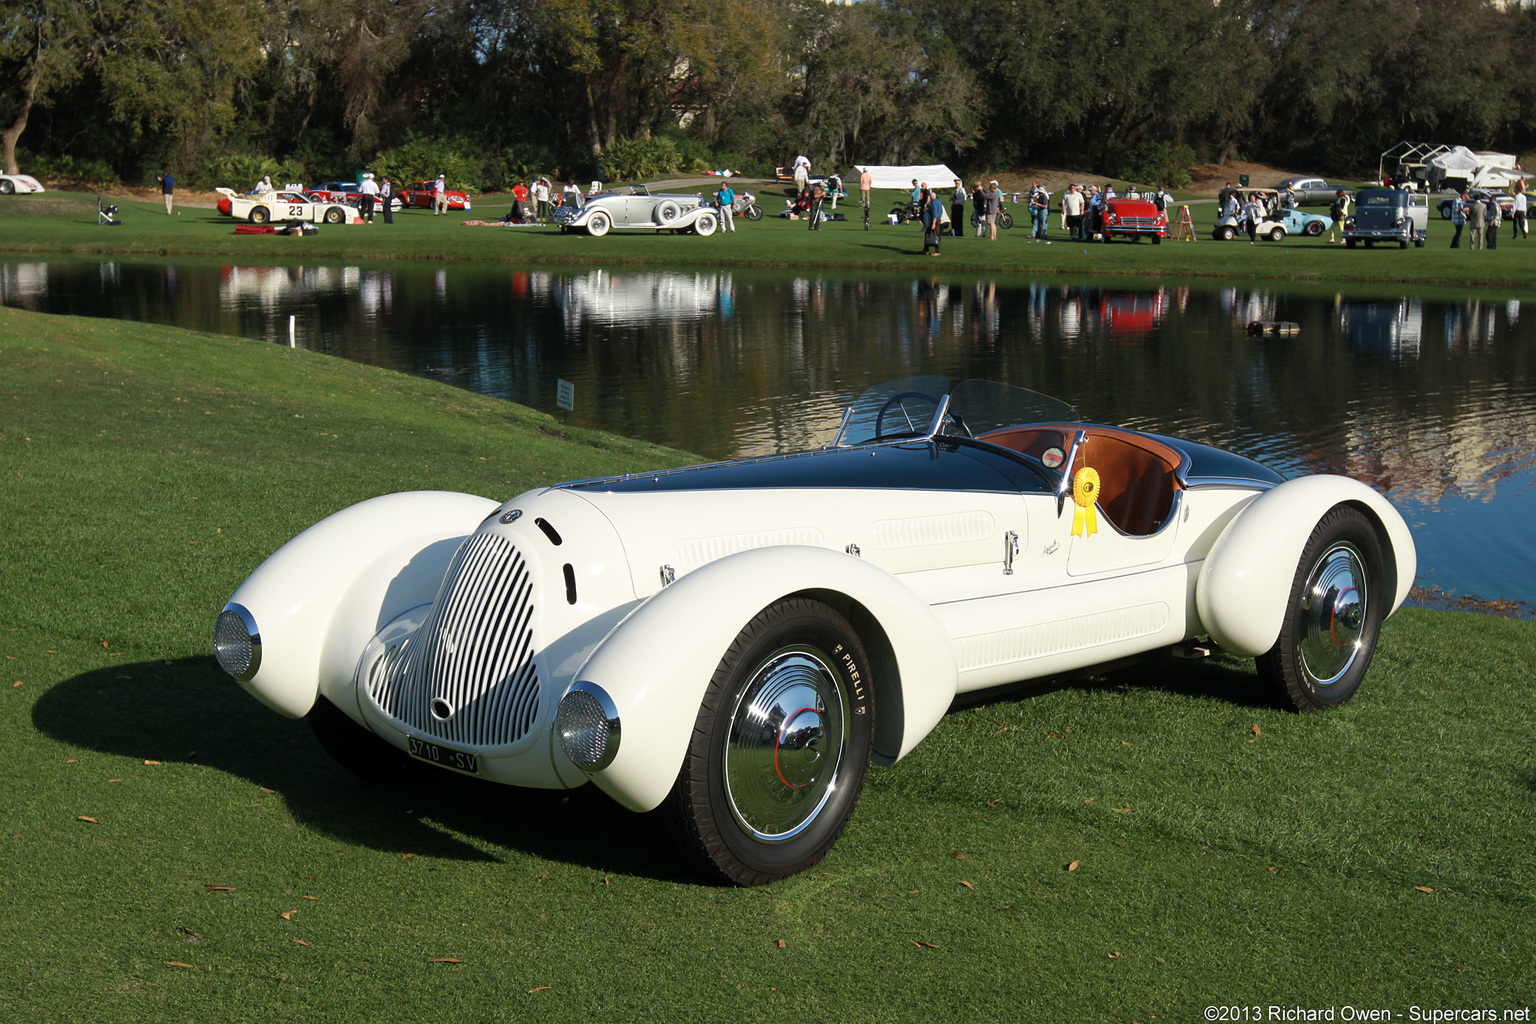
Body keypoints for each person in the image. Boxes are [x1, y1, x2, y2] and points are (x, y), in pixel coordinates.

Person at [922, 188, 945, 256]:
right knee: (928, 233)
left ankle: (937, 251)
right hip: (938, 218)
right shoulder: (938, 201)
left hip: (935, 220)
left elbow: (935, 213)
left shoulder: (934, 203)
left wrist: (933, 223)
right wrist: (928, 209)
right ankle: (926, 249)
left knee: (936, 234)